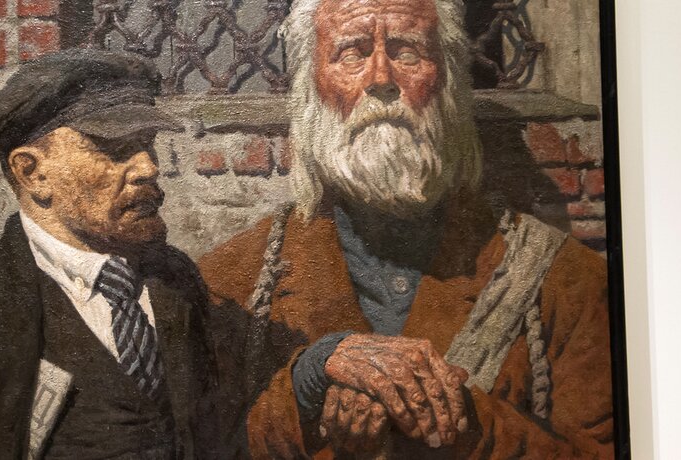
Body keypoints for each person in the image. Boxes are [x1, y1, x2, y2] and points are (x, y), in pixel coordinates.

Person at [197, 0, 615, 458]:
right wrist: (307, 382)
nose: (381, 79)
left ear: (450, 82)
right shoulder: (230, 280)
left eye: (408, 53)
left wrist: (460, 417)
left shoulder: (567, 282)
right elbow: (201, 444)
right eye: (351, 54)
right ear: (309, 89)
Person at [0, 49, 236, 459]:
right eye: (114, 149)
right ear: (32, 173)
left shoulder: (177, 278)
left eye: (147, 144)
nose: (148, 168)